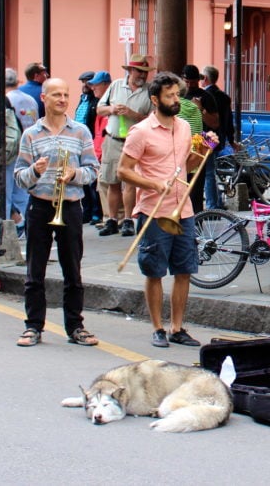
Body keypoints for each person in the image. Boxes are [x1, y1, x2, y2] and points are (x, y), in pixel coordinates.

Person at [118, 71, 206, 348]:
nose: (175, 99)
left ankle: (177, 327)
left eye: (177, 94)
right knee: (154, 270)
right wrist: (154, 184)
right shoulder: (140, 131)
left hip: (184, 208)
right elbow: (123, 171)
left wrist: (204, 149)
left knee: (184, 270)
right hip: (154, 211)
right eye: (170, 95)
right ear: (155, 99)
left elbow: (188, 166)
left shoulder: (184, 127)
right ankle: (157, 327)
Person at [13, 77, 100, 347]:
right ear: (44, 98)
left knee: (72, 271)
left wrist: (74, 173)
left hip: (71, 206)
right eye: (56, 95)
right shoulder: (31, 134)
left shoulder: (81, 132)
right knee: (34, 272)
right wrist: (34, 172)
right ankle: (33, 326)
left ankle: (75, 327)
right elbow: (19, 177)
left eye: (66, 95)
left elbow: (93, 170)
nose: (62, 99)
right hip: (40, 205)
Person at [96, 54, 155, 237]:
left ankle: (128, 220)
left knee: (129, 183)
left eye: (145, 72)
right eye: (139, 71)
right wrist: (112, 109)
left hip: (135, 142)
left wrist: (133, 114)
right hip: (113, 140)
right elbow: (99, 109)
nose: (143, 75)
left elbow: (152, 119)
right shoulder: (114, 87)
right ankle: (112, 220)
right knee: (112, 181)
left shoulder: (149, 91)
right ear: (130, 71)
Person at [0, 67, 39, 231]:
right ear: (17, 82)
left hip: (7, 151)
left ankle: (5, 226)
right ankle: (24, 223)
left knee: (0, 190)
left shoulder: (4, 100)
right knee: (21, 189)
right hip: (26, 149)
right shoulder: (30, 100)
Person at [181, 65, 216, 214]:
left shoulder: (206, 97)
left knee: (196, 189)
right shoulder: (176, 96)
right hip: (179, 148)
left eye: (193, 82)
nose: (189, 85)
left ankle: (196, 224)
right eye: (186, 82)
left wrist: (200, 109)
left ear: (198, 80)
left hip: (199, 148)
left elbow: (214, 123)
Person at [201, 65, 232, 210]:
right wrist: (230, 139)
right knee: (212, 171)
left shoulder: (203, 96)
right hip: (220, 138)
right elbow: (229, 120)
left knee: (208, 172)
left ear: (205, 79)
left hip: (206, 137)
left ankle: (212, 204)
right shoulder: (224, 96)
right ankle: (217, 201)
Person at [75, 71, 101, 224]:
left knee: (93, 181)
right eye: (83, 82)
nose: (85, 85)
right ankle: (87, 210)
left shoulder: (96, 101)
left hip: (91, 142)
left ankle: (96, 212)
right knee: (83, 181)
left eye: (88, 82)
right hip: (79, 142)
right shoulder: (82, 99)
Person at [87, 71, 113, 226]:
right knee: (102, 185)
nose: (93, 87)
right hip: (99, 150)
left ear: (105, 85)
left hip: (106, 150)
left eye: (96, 84)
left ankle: (113, 217)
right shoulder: (99, 104)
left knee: (108, 183)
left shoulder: (108, 104)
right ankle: (108, 216)